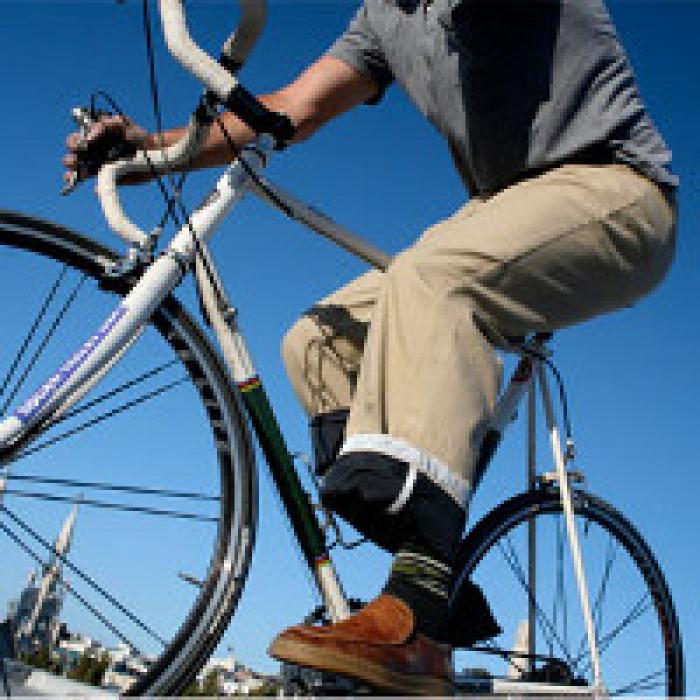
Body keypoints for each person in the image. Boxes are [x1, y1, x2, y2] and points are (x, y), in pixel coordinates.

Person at [64, 0, 678, 694]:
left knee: (434, 280)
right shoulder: (385, 17)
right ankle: (434, 583)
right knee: (317, 343)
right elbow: (293, 106)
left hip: (617, 191)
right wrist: (148, 153)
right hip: (501, 214)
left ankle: (413, 612)